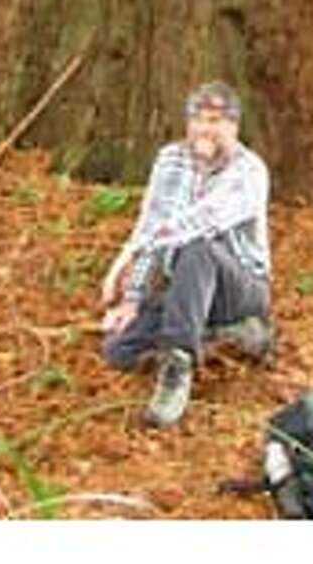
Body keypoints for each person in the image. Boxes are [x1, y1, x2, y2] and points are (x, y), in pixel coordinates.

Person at [99, 80, 273, 428]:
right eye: (200, 119)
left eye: (217, 121)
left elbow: (204, 220)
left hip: (240, 285)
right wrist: (132, 299)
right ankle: (234, 334)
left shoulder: (249, 169)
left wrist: (131, 255)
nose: (207, 129)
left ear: (234, 127)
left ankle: (177, 366)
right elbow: (151, 224)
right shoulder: (170, 160)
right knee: (119, 350)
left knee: (198, 248)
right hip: (186, 289)